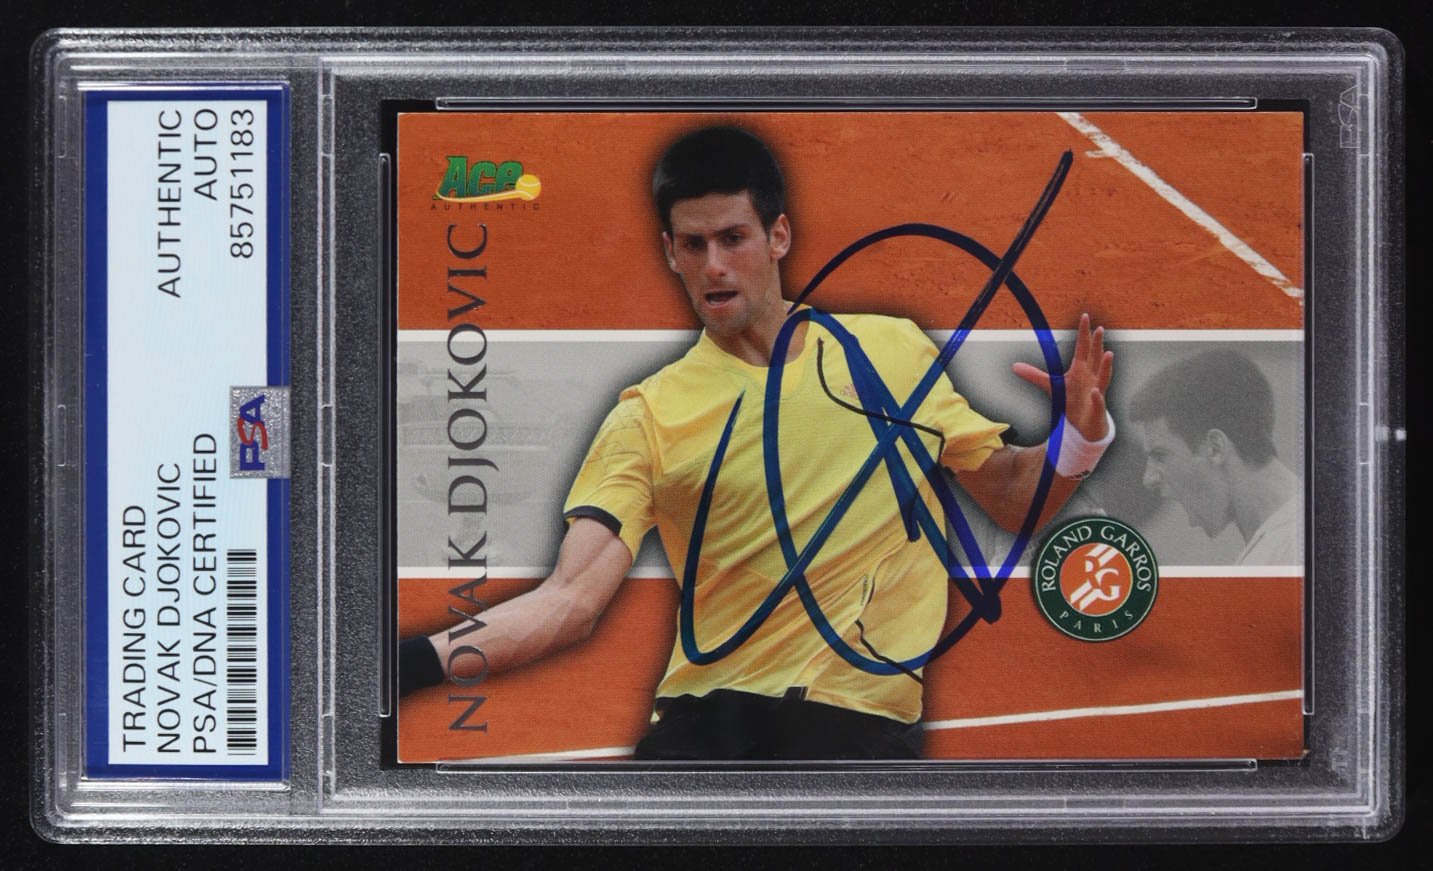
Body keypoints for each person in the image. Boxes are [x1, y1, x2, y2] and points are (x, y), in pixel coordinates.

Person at [399, 126, 1116, 759]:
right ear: (670, 253)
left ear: (777, 237)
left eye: (732, 238)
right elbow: (568, 600)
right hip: (704, 728)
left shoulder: (891, 354)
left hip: (855, 729)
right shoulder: (649, 416)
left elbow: (1011, 496)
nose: (714, 264)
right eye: (693, 244)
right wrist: (404, 665)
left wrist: (1079, 437)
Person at [1129, 349, 1301, 565]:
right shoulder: (1286, 538)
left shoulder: (1290, 547)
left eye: (1160, 455)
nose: (1148, 478)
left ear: (1215, 448)